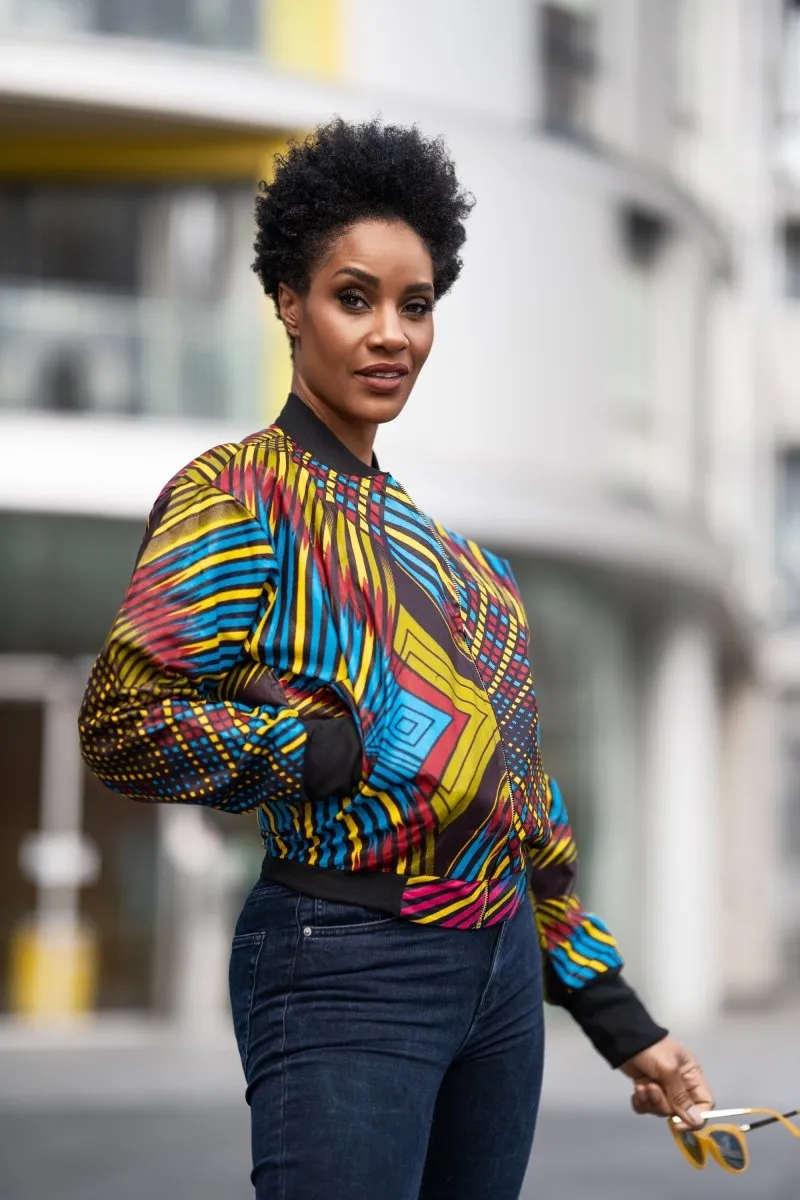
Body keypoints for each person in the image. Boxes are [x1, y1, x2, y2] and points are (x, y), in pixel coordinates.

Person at [79, 118, 714, 1200]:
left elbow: (527, 810)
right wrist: (308, 751)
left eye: (414, 305)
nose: (391, 335)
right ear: (288, 299)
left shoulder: (472, 573)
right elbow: (120, 724)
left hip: (502, 978)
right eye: (353, 296)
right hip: (344, 960)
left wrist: (619, 1020)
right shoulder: (239, 496)